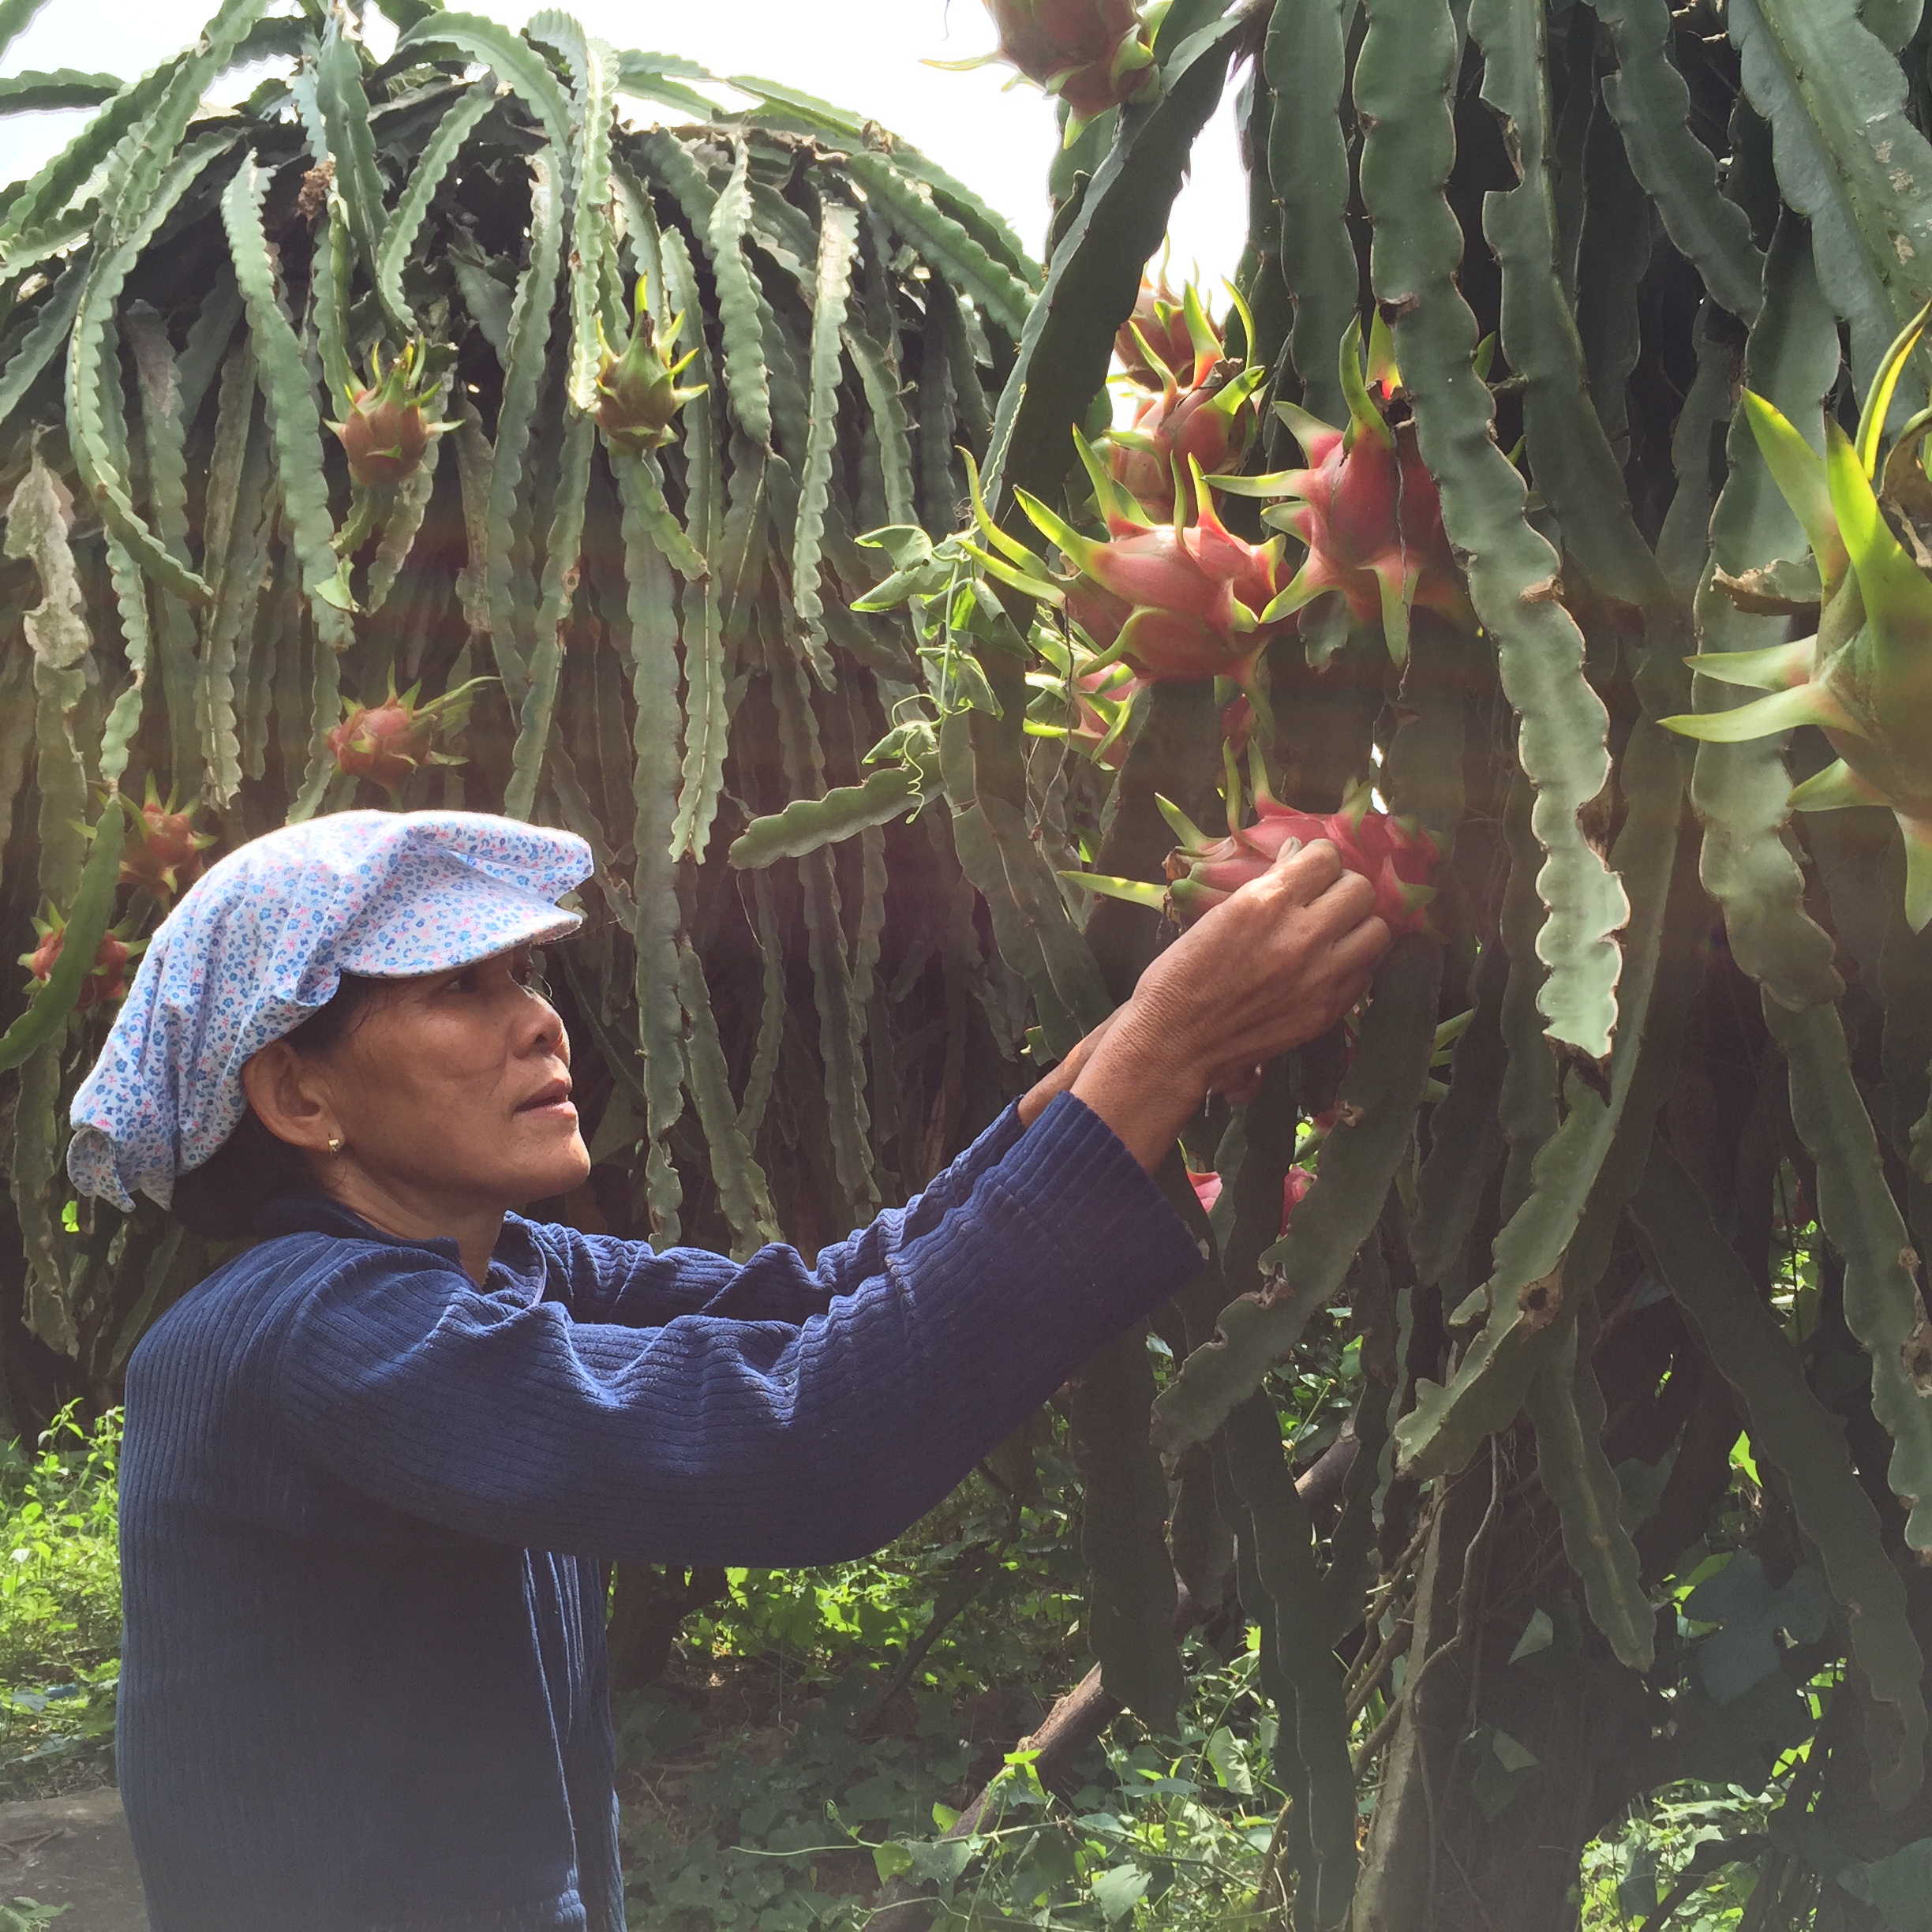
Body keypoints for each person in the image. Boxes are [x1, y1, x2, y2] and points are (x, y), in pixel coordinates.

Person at [68, 808, 1388, 1932]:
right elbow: (802, 1443)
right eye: (460, 988)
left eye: (524, 977)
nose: (541, 1024)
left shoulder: (493, 1268)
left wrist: (1132, 1058)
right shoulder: (313, 1333)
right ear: (301, 1101)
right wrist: (1168, 1049)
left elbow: (817, 1302)